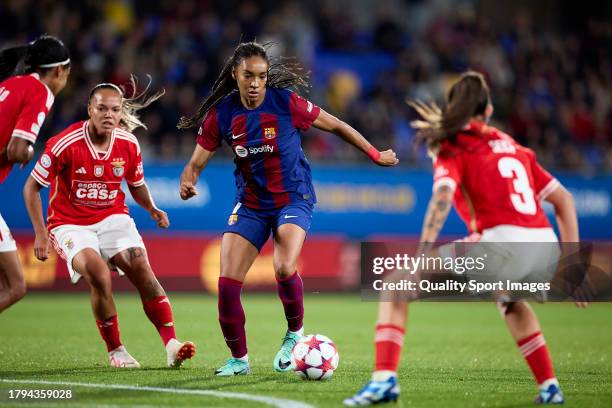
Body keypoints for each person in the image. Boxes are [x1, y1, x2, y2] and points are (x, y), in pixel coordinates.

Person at [344, 71, 580, 406]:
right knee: (510, 301)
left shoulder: (452, 144)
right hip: (544, 248)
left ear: (454, 108)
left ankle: (383, 381)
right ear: (487, 111)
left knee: (396, 286)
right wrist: (574, 267)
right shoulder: (515, 147)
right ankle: (550, 387)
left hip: (500, 245)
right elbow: (564, 201)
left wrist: (422, 252)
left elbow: (442, 197)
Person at [178, 41, 398, 376]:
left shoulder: (286, 103)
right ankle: (239, 360)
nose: (254, 83)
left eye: (261, 76)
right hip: (251, 204)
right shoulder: (221, 114)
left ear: (267, 79)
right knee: (226, 285)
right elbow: (195, 164)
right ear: (235, 74)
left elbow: (336, 124)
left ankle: (295, 333)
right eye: (248, 75)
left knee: (283, 266)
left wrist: (374, 153)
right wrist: (187, 181)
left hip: (293, 197)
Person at [23, 78, 196, 368]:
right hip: (70, 224)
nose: (108, 115)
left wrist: (152, 209)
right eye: (101, 108)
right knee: (99, 274)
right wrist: (40, 233)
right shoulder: (64, 143)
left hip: (112, 216)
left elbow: (136, 184)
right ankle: (116, 350)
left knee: (141, 266)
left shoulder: (128, 143)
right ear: (89, 109)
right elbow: (31, 187)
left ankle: (171, 344)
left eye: (115, 110)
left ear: (121, 112)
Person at [0, 35, 71, 313]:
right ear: (58, 71)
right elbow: (18, 150)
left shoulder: (9, 85)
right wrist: (28, 152)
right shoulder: (40, 91)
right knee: (14, 286)